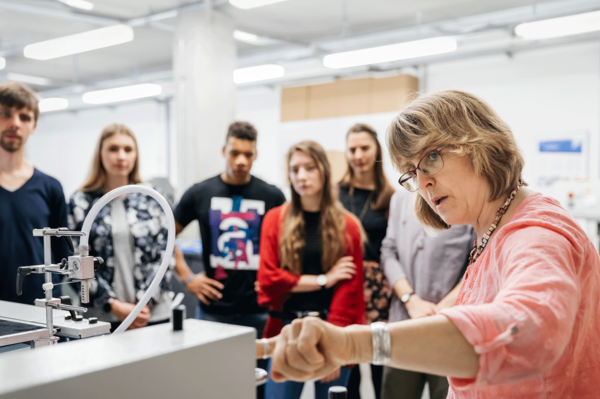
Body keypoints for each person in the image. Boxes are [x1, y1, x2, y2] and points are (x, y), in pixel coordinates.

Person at [257, 90, 600, 398]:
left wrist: (352, 343)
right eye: (411, 172)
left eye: (431, 158)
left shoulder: (537, 232)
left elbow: (528, 333)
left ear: (480, 143)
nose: (423, 181)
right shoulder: (492, 228)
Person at [172, 121, 285, 398]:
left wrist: (276, 283)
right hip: (213, 310)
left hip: (258, 311)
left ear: (255, 154)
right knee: (213, 385)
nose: (241, 160)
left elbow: (288, 246)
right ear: (224, 150)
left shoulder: (272, 196)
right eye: (235, 153)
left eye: (248, 154)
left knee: (257, 387)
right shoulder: (200, 192)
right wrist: (187, 277)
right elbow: (164, 237)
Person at [257, 140, 365, 399]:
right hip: (285, 331)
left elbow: (350, 292)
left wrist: (335, 348)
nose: (301, 176)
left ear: (324, 171)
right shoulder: (275, 219)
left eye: (309, 168)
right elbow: (268, 280)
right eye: (295, 170)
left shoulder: (347, 226)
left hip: (331, 331)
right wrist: (323, 280)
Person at [68, 123, 173, 332]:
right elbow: (75, 261)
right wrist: (112, 304)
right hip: (101, 318)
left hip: (151, 315)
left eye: (128, 149)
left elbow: (166, 254)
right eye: (113, 149)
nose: (121, 156)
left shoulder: (152, 198)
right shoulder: (81, 202)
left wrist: (143, 304)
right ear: (101, 154)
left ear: (136, 155)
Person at [380, 189, 475, 399]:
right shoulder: (400, 197)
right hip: (403, 325)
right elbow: (388, 251)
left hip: (450, 330)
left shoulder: (467, 197)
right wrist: (410, 300)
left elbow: (478, 261)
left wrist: (440, 311)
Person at [337, 123, 394, 399]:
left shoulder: (391, 197)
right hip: (344, 286)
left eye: (364, 148)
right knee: (348, 362)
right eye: (352, 149)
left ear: (376, 151)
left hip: (380, 294)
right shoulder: (335, 194)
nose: (358, 155)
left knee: (380, 362)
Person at [0, 82, 69, 305]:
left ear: (34, 125)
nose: (14, 124)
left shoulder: (50, 188)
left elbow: (63, 256)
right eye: (5, 114)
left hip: (41, 311)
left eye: (24, 117)